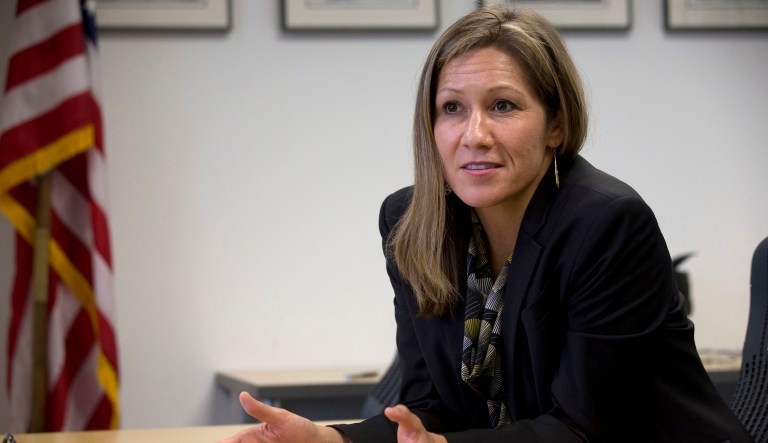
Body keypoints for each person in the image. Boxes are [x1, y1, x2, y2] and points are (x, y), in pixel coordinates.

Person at [219, 6, 753, 443]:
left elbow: (585, 431)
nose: (473, 134)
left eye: (502, 106)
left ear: (556, 126)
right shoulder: (410, 223)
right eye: (452, 108)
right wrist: (326, 440)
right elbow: (432, 406)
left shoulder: (606, 224)